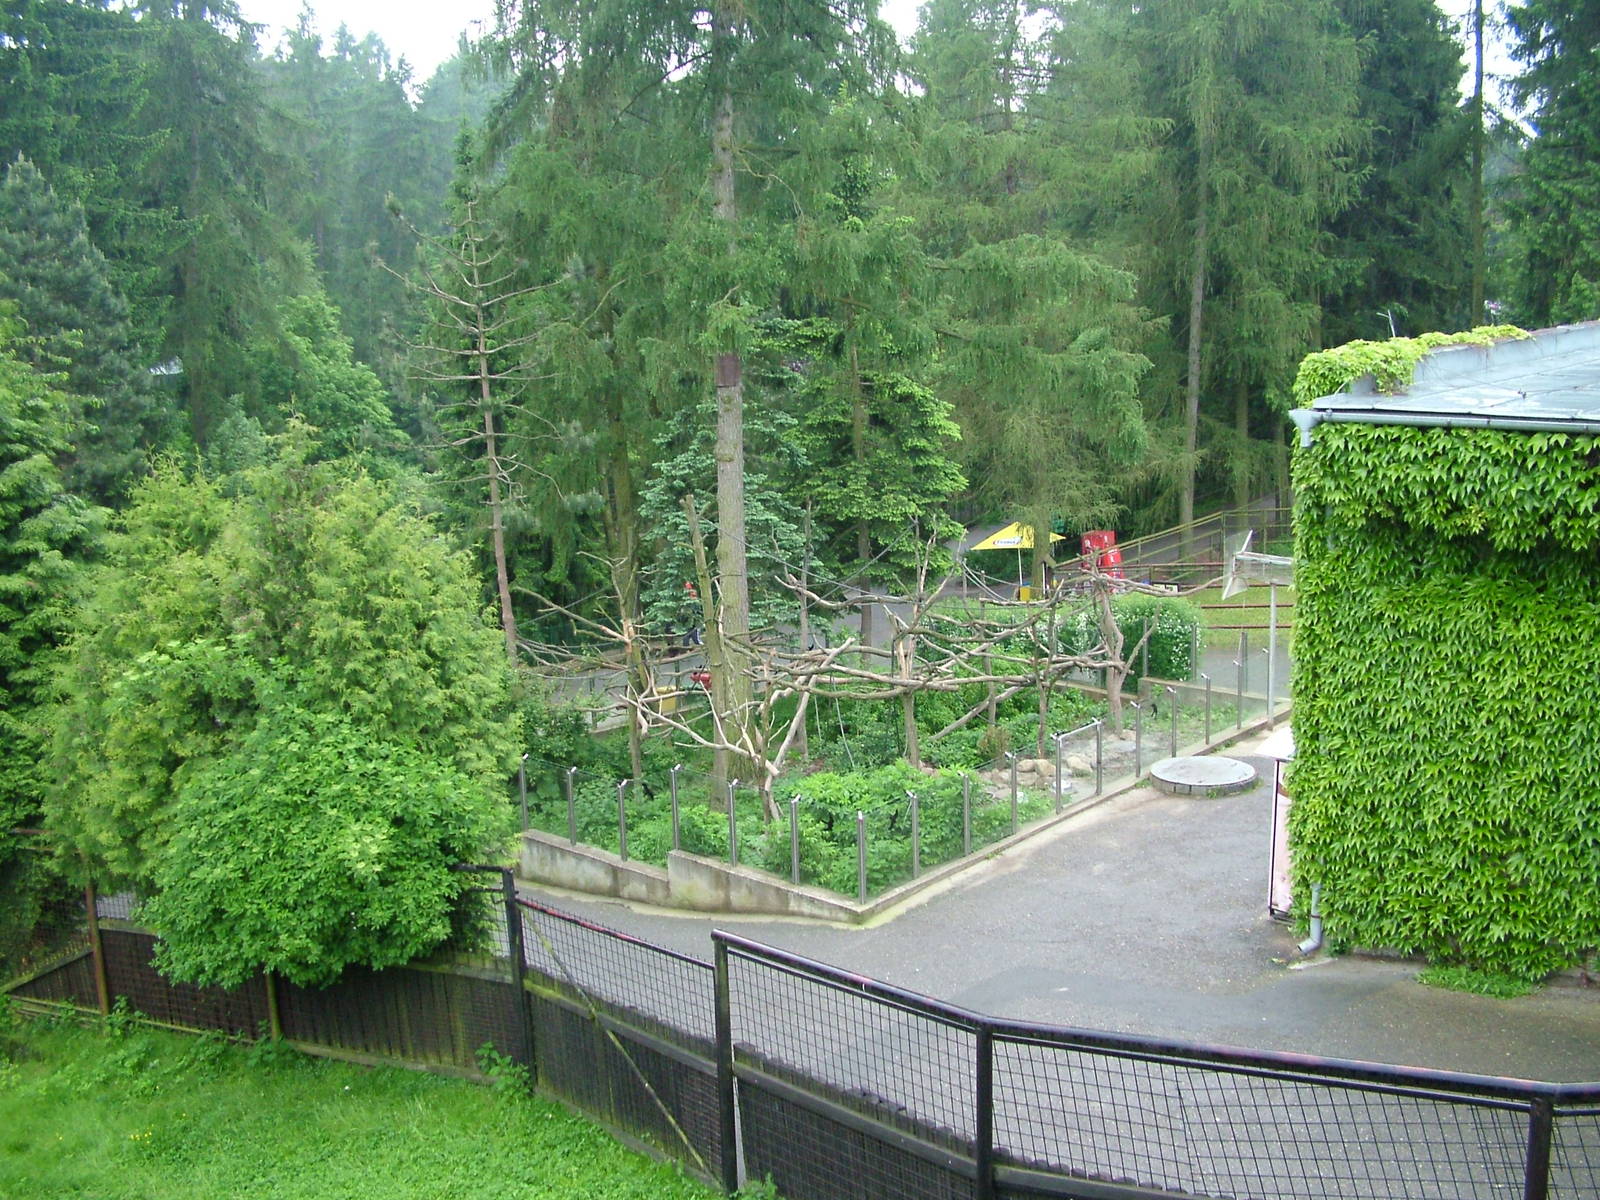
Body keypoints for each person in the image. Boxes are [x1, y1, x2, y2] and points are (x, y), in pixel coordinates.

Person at [681, 580, 703, 646]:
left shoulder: (695, 600)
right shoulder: (685, 599)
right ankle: (686, 651)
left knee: (696, 639)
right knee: (685, 638)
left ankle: (705, 649)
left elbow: (697, 611)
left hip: (696, 622)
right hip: (688, 623)